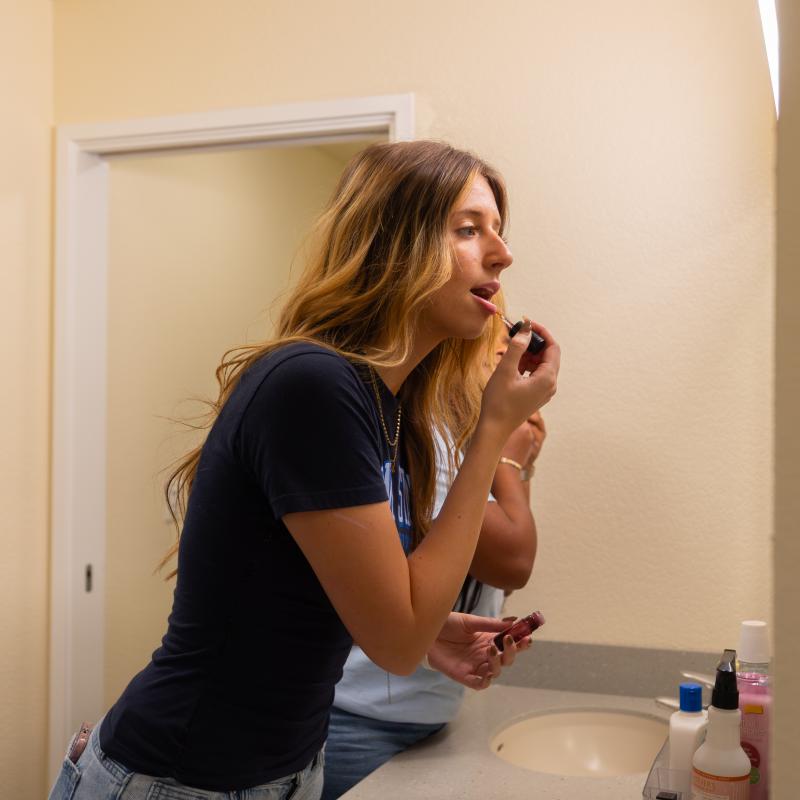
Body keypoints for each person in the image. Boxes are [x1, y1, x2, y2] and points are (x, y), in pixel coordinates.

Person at [48, 140, 560, 800]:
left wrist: (433, 629)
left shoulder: (385, 406)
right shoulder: (313, 385)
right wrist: (494, 431)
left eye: (498, 230)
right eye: (468, 229)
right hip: (178, 778)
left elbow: (346, 602)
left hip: (280, 772)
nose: (502, 253)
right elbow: (394, 646)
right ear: (391, 244)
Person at [322, 325, 547, 800]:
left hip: (415, 716)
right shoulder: (433, 438)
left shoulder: (465, 448)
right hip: (360, 719)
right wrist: (509, 461)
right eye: (501, 353)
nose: (519, 364)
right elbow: (513, 561)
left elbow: (491, 577)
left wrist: (517, 465)